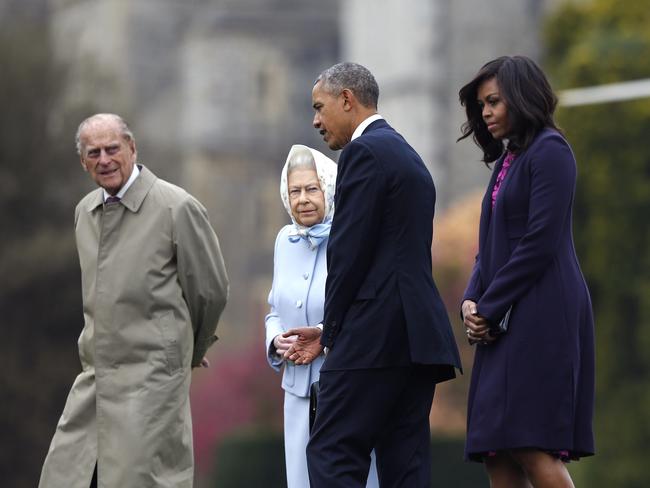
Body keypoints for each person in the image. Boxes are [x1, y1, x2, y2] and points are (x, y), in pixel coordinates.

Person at [284, 62, 461, 487]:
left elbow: (349, 254)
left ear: (347, 100)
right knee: (405, 468)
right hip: (417, 342)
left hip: (371, 340)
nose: (315, 121)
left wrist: (331, 335)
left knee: (332, 453)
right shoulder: (407, 154)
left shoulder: (363, 154)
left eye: (319, 107)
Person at [38, 113, 229, 488]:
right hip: (94, 379)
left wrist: (191, 348)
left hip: (152, 380)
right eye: (94, 153)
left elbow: (210, 290)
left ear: (132, 148)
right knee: (63, 475)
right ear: (83, 161)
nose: (104, 159)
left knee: (140, 480)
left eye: (112, 149)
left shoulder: (177, 207)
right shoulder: (84, 212)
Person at [458, 56, 595, 487]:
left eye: (494, 101)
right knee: (496, 452)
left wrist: (489, 307)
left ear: (522, 97)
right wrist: (469, 301)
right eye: (481, 105)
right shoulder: (508, 161)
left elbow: (539, 242)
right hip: (501, 316)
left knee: (530, 444)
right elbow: (490, 246)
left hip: (541, 313)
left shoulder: (551, 151)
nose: (486, 113)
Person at [265, 144, 379, 488]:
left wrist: (320, 333)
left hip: (344, 383)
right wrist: (275, 339)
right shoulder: (284, 240)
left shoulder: (352, 237)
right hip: (297, 387)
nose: (303, 199)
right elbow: (274, 308)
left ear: (329, 187)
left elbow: (365, 308)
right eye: (295, 190)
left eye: (312, 189)